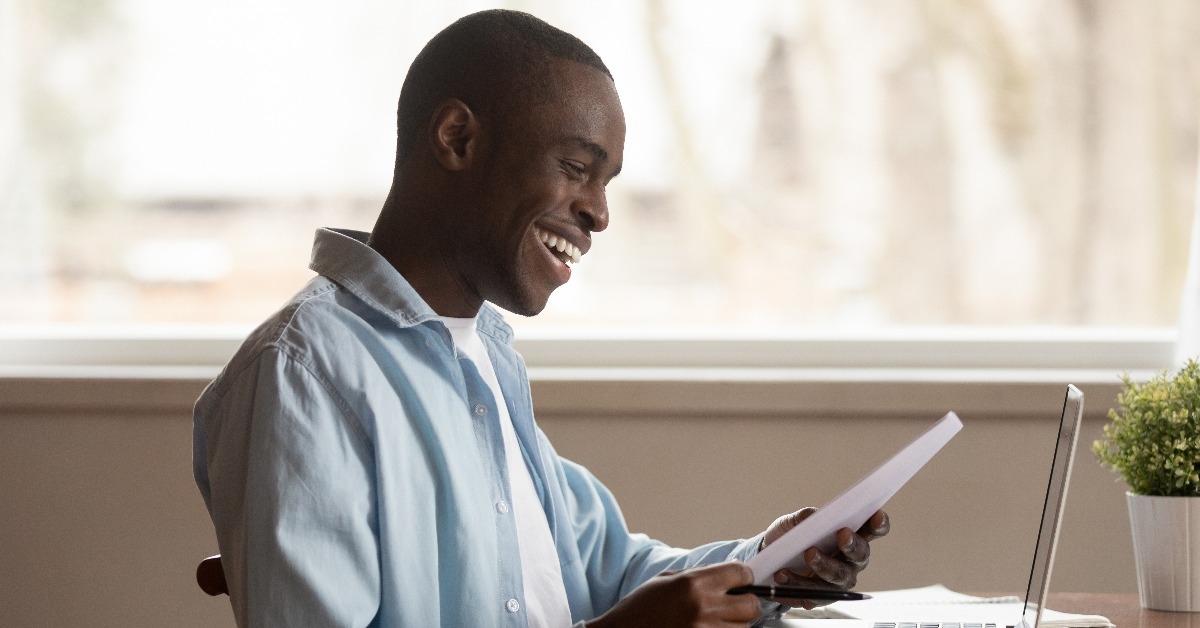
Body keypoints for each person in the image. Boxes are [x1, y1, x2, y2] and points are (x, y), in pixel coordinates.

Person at [192, 9, 889, 627]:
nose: (600, 212)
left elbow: (607, 571)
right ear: (458, 138)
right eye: (575, 166)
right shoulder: (303, 375)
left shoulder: (484, 359)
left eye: (607, 182)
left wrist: (768, 564)